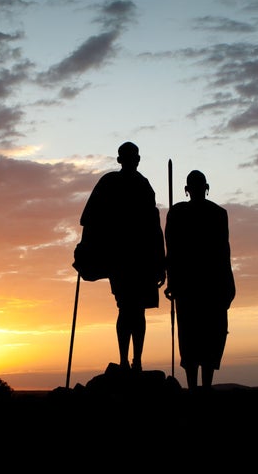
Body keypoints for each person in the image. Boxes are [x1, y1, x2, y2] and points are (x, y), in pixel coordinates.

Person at [76, 141, 166, 372]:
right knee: (127, 308)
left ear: (137, 160)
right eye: (128, 157)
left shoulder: (144, 186)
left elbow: (153, 224)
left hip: (142, 258)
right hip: (121, 258)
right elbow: (90, 218)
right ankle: (125, 360)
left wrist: (159, 262)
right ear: (121, 160)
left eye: (133, 157)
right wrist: (86, 248)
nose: (131, 161)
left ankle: (136, 360)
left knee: (138, 309)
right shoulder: (109, 182)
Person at [164, 170, 235, 391]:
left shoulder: (216, 214)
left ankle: (201, 388)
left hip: (206, 285)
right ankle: (198, 388)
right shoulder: (179, 214)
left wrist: (228, 286)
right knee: (193, 335)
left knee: (206, 335)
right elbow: (172, 251)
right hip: (192, 286)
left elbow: (224, 252)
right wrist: (172, 281)